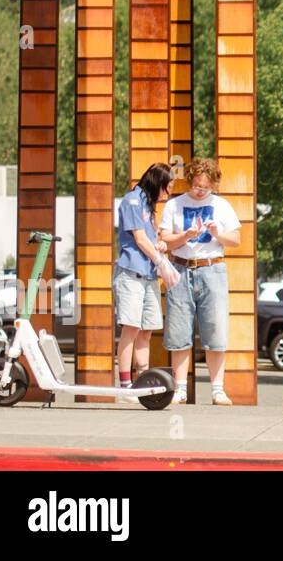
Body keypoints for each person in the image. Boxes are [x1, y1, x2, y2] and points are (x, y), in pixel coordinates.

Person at [160, 158, 241, 406]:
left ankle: (218, 389)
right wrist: (186, 235)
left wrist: (217, 233)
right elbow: (164, 241)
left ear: (213, 185)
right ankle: (180, 389)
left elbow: (236, 240)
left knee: (215, 329)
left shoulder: (222, 205)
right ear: (190, 181)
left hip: (212, 269)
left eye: (205, 187)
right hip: (180, 268)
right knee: (178, 331)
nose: (200, 190)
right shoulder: (174, 205)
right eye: (196, 185)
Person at [114, 163, 173, 395]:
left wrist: (160, 245)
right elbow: (139, 239)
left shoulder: (148, 205)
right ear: (157, 183)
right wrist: (160, 260)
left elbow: (149, 239)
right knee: (131, 327)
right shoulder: (132, 201)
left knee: (147, 329)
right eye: (167, 187)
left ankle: (143, 380)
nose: (167, 193)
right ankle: (125, 384)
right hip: (131, 274)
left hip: (148, 275)